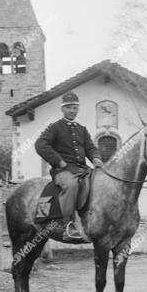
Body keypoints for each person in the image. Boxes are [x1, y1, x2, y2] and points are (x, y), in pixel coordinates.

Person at [35, 91, 103, 240]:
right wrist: (58, 161)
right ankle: (67, 226)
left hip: (82, 169)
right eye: (69, 107)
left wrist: (96, 159)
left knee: (100, 182)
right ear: (63, 109)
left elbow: (90, 148)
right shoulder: (55, 127)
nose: (73, 111)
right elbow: (40, 144)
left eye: (75, 108)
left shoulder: (82, 129)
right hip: (63, 171)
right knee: (72, 185)